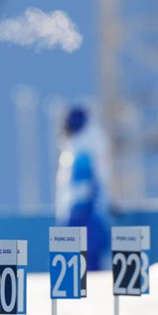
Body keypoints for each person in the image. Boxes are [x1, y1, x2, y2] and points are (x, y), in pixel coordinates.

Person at [55, 104, 112, 271]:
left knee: (84, 269)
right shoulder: (89, 146)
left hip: (83, 220)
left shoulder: (81, 151)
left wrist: (74, 218)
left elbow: (82, 191)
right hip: (91, 218)